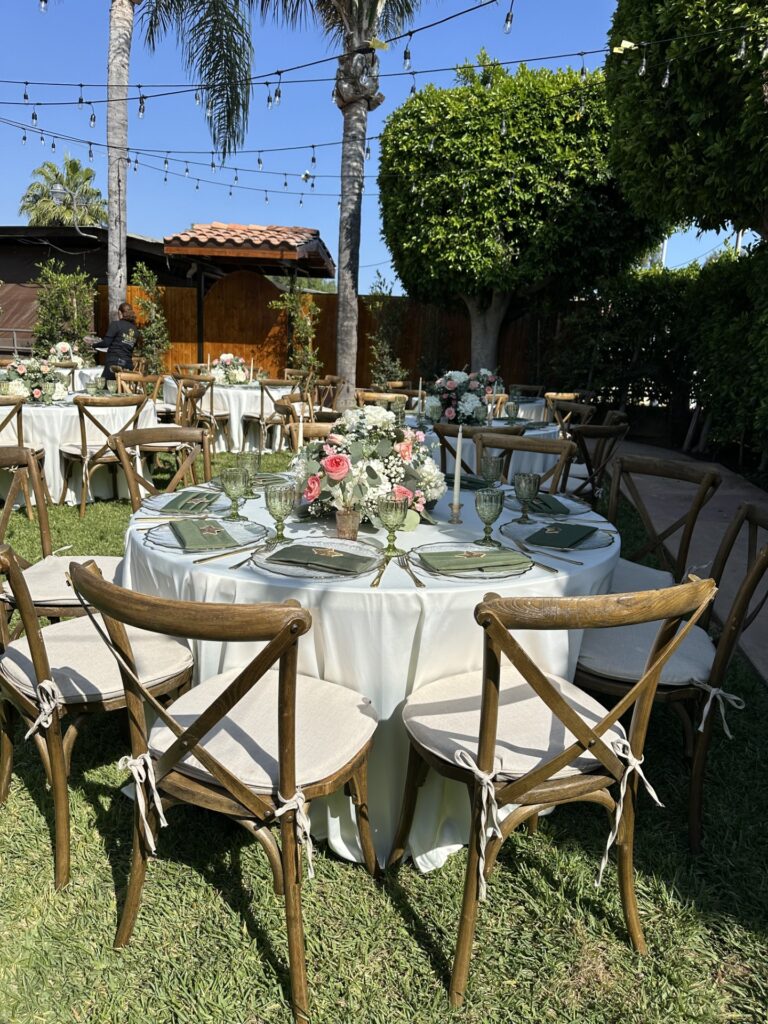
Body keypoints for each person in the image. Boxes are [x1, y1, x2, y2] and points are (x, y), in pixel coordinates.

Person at [101, 302, 140, 380]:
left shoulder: (116, 324)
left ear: (120, 313)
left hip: (114, 364)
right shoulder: (136, 330)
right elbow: (132, 347)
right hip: (128, 366)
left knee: (103, 384)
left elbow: (106, 343)